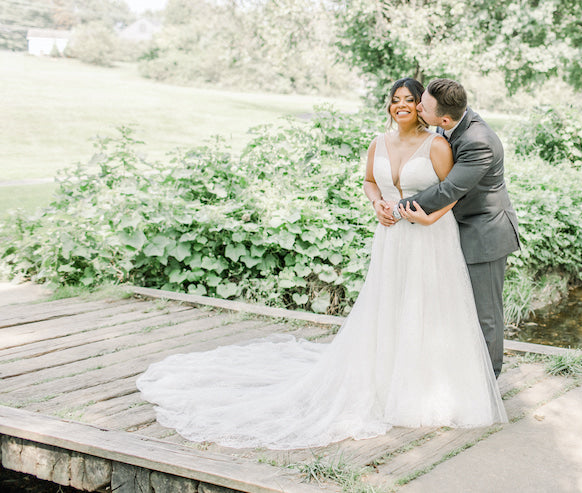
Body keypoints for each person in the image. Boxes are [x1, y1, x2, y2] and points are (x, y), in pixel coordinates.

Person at [136, 78, 507, 450]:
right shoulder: (380, 141)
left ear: (434, 114)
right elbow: (369, 181)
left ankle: (462, 385)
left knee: (437, 307)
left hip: (430, 233)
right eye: (397, 100)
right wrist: (378, 203)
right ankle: (388, 374)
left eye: (413, 101)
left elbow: (450, 192)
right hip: (392, 236)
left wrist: (413, 214)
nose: (406, 106)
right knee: (390, 303)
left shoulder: (449, 143)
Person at [380, 79, 520, 378]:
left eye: (423, 106)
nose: (417, 107)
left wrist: (396, 207)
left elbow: (448, 190)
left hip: (484, 231)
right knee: (453, 306)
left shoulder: (478, 140)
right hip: (450, 228)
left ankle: (488, 379)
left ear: (444, 119)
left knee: (485, 313)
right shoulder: (449, 119)